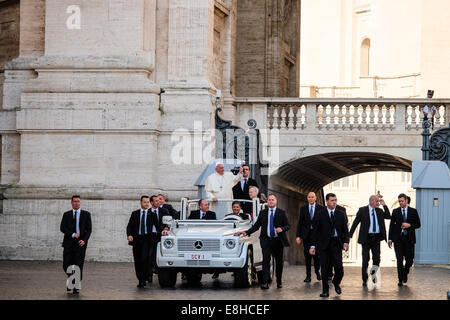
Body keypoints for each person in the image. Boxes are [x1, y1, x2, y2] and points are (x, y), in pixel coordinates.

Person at [237, 194, 290, 289]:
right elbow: (256, 226)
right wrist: (246, 232)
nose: (270, 201)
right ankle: (265, 282)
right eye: (269, 200)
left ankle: (279, 281)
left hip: (278, 241)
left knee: (279, 262)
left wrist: (282, 229)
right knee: (266, 261)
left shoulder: (281, 213)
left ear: (276, 201)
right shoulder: (263, 213)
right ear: (267, 202)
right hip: (266, 240)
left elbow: (288, 225)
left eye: (272, 200)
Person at [310, 193, 349, 298]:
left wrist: (346, 242)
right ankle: (325, 291)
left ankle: (336, 283)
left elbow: (345, 230)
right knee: (325, 269)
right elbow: (315, 231)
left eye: (335, 200)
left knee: (339, 268)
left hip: (336, 244)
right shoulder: (320, 214)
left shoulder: (341, 213)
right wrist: (312, 246)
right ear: (327, 202)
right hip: (323, 245)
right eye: (332, 200)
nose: (334, 202)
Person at [349, 195, 391, 287]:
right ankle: (364, 279)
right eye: (377, 201)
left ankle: (373, 273)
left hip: (376, 238)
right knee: (365, 259)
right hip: (366, 238)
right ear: (371, 201)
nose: (378, 203)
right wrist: (350, 235)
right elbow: (355, 222)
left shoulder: (379, 211)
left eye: (379, 202)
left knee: (376, 258)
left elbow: (388, 216)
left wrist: (384, 205)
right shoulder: (362, 210)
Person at [60, 195, 92, 294]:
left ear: (80, 202)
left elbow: (89, 230)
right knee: (66, 265)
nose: (76, 203)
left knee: (78, 266)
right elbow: (62, 228)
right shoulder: (66, 214)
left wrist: (84, 240)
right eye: (74, 201)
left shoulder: (86, 214)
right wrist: (73, 234)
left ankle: (75, 286)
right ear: (71, 202)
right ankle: (71, 281)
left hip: (80, 244)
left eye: (78, 201)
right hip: (68, 243)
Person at [126, 195, 160, 288]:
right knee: (138, 260)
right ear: (141, 203)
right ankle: (140, 278)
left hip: (147, 240)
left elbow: (158, 227)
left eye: (148, 202)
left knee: (145, 259)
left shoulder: (152, 215)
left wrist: (165, 229)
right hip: (137, 240)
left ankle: (144, 278)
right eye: (144, 202)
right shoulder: (135, 214)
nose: (146, 204)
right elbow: (129, 226)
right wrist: (129, 235)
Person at [388, 193, 421, 287]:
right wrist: (390, 239)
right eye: (399, 201)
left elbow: (418, 224)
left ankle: (405, 273)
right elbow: (391, 226)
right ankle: (400, 280)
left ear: (406, 201)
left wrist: (409, 225)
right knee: (399, 259)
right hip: (398, 239)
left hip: (409, 239)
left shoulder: (413, 211)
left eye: (402, 201)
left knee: (409, 260)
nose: (401, 203)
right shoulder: (395, 211)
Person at [296, 192, 323, 283]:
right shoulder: (303, 209)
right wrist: (298, 236)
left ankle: (317, 271)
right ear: (307, 198)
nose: (311, 199)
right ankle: (308, 276)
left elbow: (323, 224)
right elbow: (300, 223)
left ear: (315, 198)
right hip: (306, 235)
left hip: (317, 236)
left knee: (316, 256)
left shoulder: (321, 208)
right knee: (307, 256)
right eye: (309, 197)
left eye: (312, 197)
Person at [149, 195, 170, 283]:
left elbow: (169, 222)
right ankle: (149, 274)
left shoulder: (164, 211)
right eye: (156, 201)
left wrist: (166, 228)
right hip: (150, 236)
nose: (159, 202)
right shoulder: (148, 212)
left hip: (160, 235)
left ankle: (158, 269)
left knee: (159, 252)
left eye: (159, 200)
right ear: (151, 202)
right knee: (150, 254)